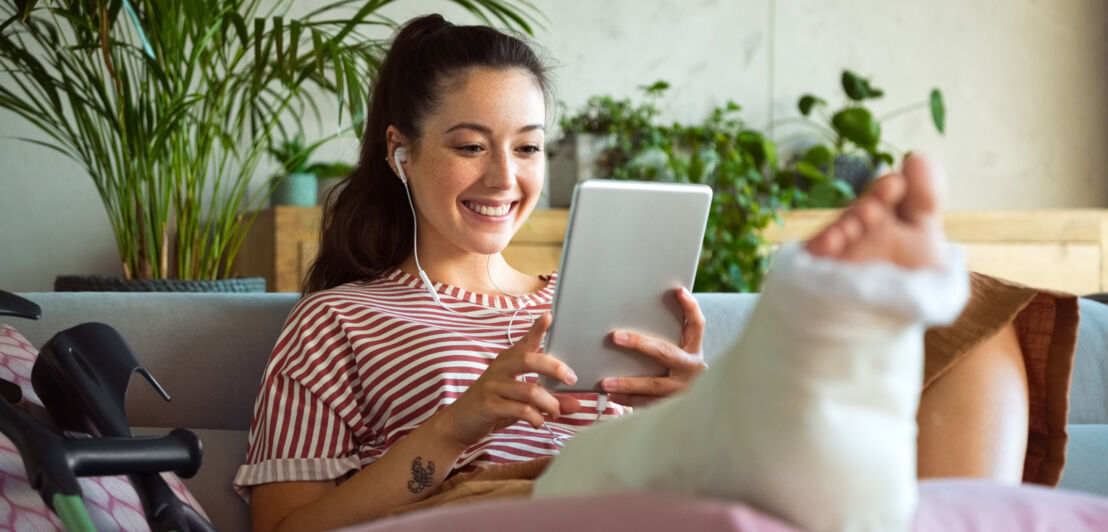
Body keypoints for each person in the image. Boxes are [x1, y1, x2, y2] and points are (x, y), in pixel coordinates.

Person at [235, 14, 1078, 532]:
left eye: (527, 149)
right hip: (494, 502)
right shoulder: (342, 319)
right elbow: (282, 531)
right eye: (469, 146)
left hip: (653, 480)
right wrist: (456, 425)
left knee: (976, 315)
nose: (504, 179)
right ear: (400, 153)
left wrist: (694, 401)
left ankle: (829, 389)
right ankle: (819, 353)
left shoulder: (586, 301)